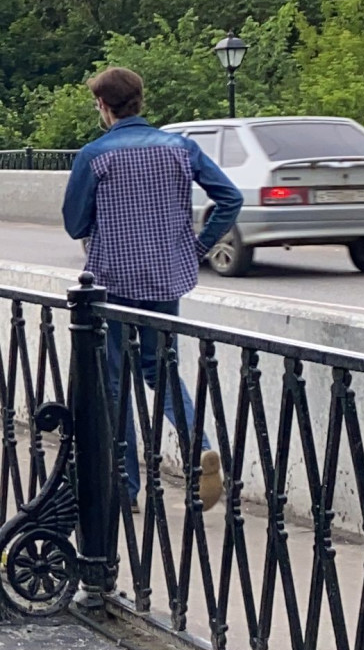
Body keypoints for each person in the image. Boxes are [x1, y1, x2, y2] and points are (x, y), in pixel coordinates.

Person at [60, 66, 242, 508]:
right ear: (141, 100)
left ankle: (125, 486)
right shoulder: (181, 148)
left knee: (114, 379)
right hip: (166, 278)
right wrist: (197, 247)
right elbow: (230, 198)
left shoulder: (95, 155)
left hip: (113, 280)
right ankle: (199, 447)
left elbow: (75, 224)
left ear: (103, 106)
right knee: (160, 369)